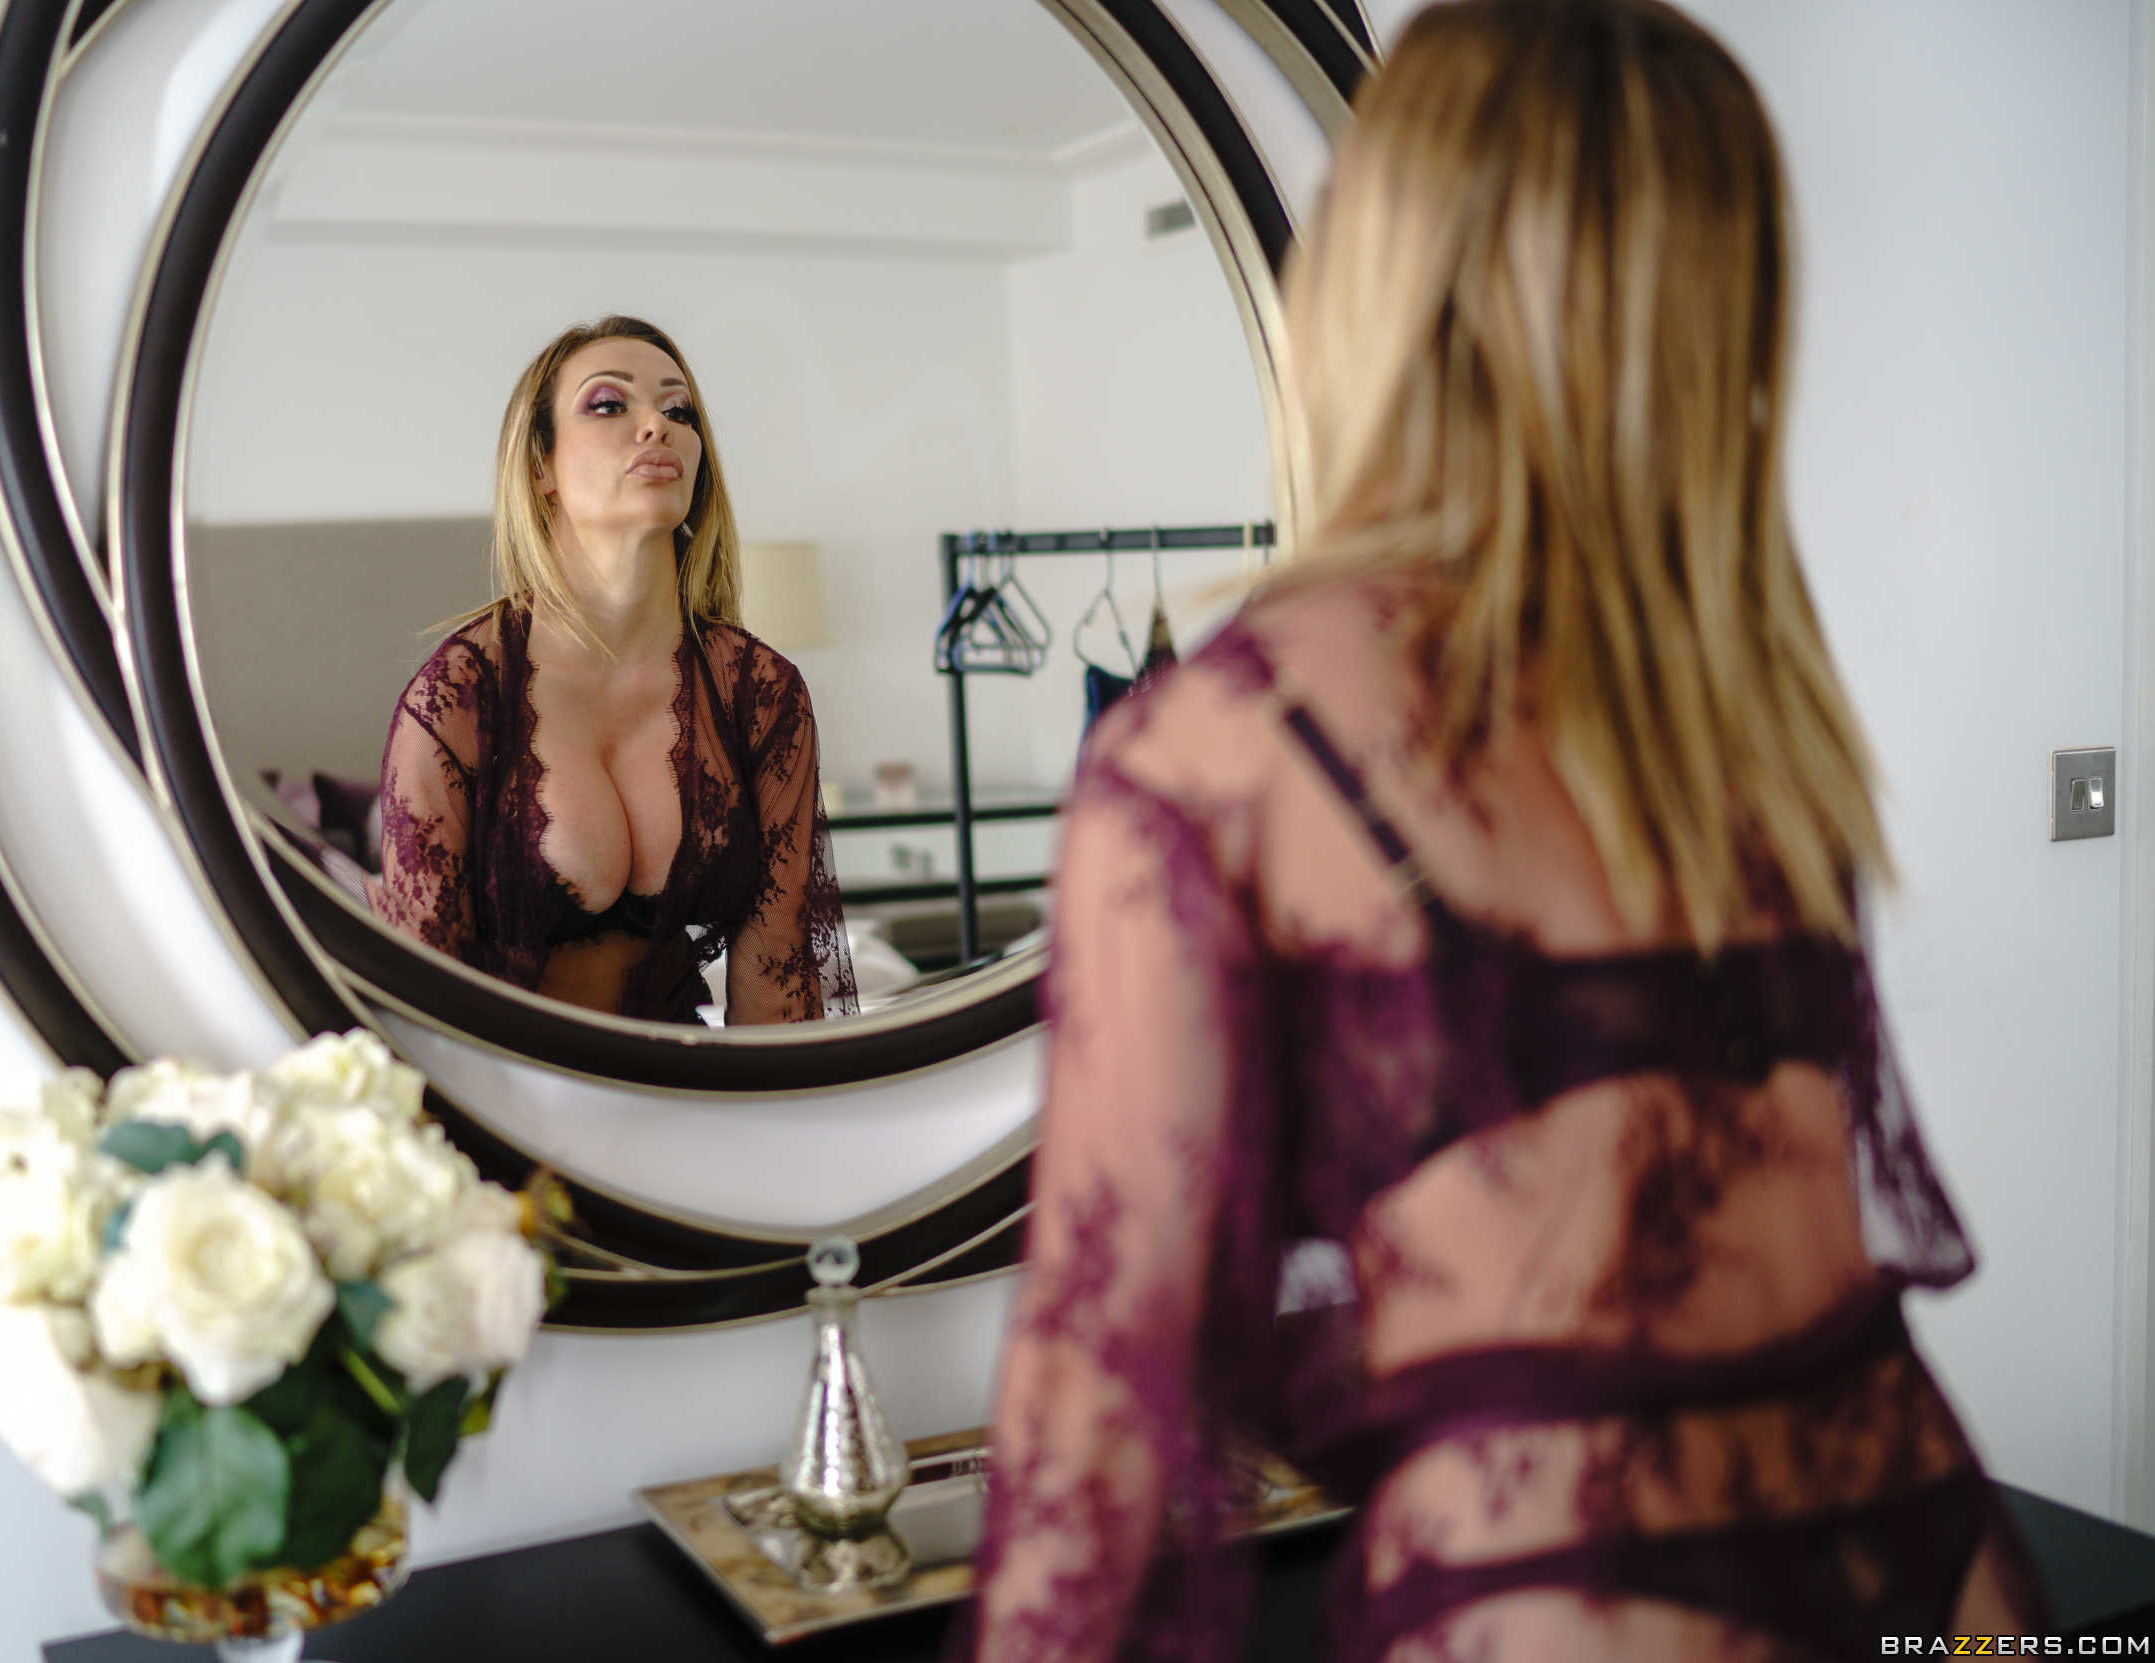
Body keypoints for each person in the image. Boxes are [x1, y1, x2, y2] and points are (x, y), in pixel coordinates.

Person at [966, 2, 2050, 1657]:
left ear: (1378, 288)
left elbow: (1095, 1419)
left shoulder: (1219, 754)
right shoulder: (1734, 710)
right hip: (1932, 1574)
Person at [373, 316, 856, 1025]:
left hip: (684, 1080)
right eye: (608, 404)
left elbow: (776, 972)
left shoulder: (757, 693)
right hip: (506, 1079)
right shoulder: (459, 697)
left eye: (679, 410)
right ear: (540, 467)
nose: (656, 426)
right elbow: (419, 999)